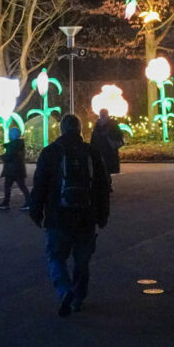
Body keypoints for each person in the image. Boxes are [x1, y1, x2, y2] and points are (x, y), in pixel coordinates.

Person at [29, 114, 111, 317]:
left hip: (58, 215)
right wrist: (103, 215)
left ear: (61, 130)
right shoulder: (92, 153)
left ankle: (65, 290)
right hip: (86, 215)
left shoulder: (50, 152)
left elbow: (40, 184)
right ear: (80, 130)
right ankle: (78, 298)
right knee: (82, 261)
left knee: (56, 256)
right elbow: (102, 186)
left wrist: (36, 211)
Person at [0, 126, 30, 211]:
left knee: (7, 186)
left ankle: (6, 203)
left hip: (12, 170)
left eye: (9, 134)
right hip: (18, 169)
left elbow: (9, 156)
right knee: (22, 186)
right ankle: (29, 202)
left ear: (12, 136)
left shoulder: (12, 145)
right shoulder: (19, 144)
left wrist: (2, 157)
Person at [90, 109, 124, 175]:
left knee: (108, 175)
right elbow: (93, 142)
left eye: (103, 115)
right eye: (101, 115)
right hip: (102, 156)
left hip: (110, 156)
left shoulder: (113, 126)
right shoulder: (97, 126)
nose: (102, 117)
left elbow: (119, 139)